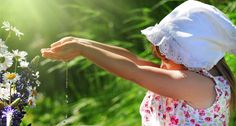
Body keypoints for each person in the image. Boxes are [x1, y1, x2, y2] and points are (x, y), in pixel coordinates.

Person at [41, 0, 236, 125]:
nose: (162, 64)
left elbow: (134, 71)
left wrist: (83, 49)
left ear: (190, 55)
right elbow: (134, 60)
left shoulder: (199, 86)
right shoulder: (195, 74)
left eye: (167, 57)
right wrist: (82, 42)